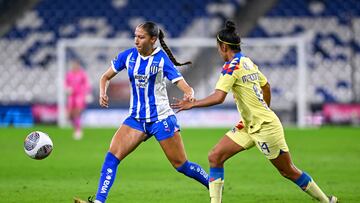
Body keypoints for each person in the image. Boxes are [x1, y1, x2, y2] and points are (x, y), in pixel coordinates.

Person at [171, 20, 338, 203]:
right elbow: (266, 86)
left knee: (287, 170)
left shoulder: (231, 67)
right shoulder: (247, 62)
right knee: (215, 156)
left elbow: (219, 97)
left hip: (266, 127)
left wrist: (192, 105)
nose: (218, 51)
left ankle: (327, 201)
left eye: (218, 47)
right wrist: (262, 108)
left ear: (224, 46)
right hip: (249, 125)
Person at [74, 21, 208, 203]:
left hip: (161, 119)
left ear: (153, 39)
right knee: (112, 157)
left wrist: (190, 95)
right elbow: (105, 77)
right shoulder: (128, 56)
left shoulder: (161, 60)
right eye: (135, 36)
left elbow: (185, 86)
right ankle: (99, 201)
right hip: (136, 119)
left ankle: (213, 184)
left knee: (182, 166)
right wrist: (102, 92)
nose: (136, 40)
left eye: (141, 37)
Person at [65, 60, 91, 140]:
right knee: (69, 115)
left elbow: (86, 84)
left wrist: (87, 94)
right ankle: (76, 128)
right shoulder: (69, 74)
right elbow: (66, 83)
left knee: (77, 112)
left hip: (80, 95)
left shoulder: (82, 74)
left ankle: (78, 130)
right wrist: (67, 89)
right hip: (71, 96)